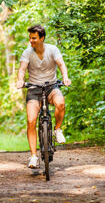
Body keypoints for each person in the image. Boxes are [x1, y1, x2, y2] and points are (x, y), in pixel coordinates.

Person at [16, 24, 71, 168]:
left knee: (60, 103)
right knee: (31, 120)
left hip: (51, 86)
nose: (31, 41)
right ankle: (33, 156)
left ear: (42, 38)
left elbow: (61, 65)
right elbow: (22, 69)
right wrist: (20, 80)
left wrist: (65, 77)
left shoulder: (52, 50)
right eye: (30, 38)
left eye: (34, 38)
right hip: (34, 89)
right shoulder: (27, 52)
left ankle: (57, 129)